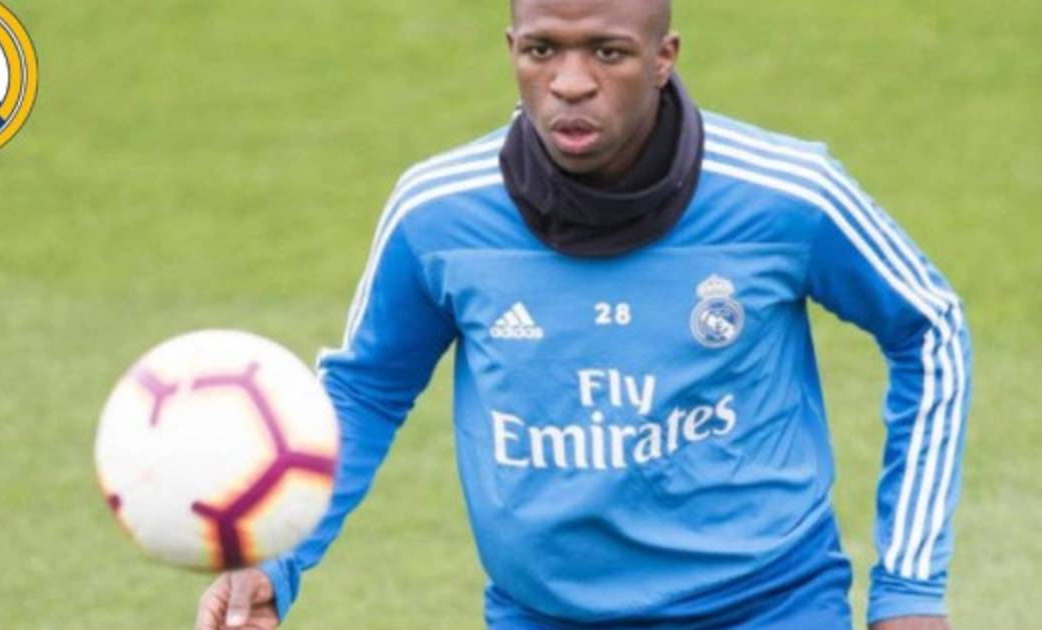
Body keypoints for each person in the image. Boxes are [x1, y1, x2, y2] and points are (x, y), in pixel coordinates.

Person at [196, 0, 971, 628]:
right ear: (512, 49)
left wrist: (908, 587)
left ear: (664, 57)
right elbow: (365, 389)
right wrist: (276, 556)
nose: (570, 82)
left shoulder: (786, 196)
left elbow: (929, 329)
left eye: (608, 52)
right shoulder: (438, 215)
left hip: (768, 607)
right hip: (543, 615)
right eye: (542, 51)